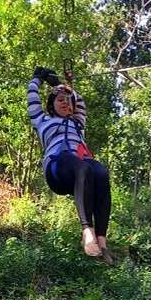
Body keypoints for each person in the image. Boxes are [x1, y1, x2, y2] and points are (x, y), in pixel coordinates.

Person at [28, 66, 114, 264]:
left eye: (68, 101)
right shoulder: (42, 121)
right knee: (82, 167)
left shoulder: (78, 122)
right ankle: (87, 231)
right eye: (60, 100)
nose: (65, 103)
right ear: (51, 105)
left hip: (81, 166)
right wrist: (37, 80)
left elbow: (80, 101)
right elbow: (32, 96)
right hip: (58, 167)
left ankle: (101, 242)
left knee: (100, 173)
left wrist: (58, 84)